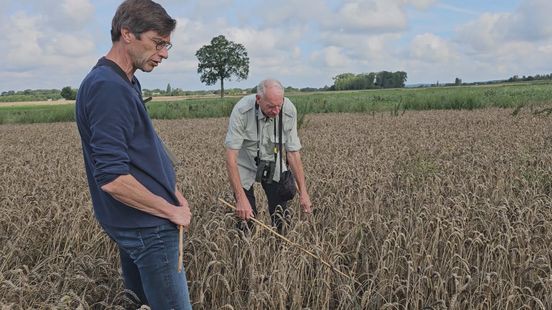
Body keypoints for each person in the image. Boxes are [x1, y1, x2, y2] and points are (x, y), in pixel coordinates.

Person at [75, 1, 192, 308]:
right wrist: (169, 210)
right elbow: (113, 178)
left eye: (167, 45)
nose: (164, 53)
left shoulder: (125, 80)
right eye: (158, 43)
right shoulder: (107, 87)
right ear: (127, 34)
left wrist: (173, 192)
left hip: (142, 221)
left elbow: (138, 155)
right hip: (148, 227)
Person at [224, 79, 312, 234]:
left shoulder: (288, 110)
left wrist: (303, 192)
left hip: (273, 159)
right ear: (258, 99)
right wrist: (240, 198)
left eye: (279, 105)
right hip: (245, 161)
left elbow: (293, 152)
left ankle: (281, 249)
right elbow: (231, 156)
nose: (276, 111)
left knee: (281, 213)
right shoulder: (241, 111)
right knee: (246, 216)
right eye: (271, 106)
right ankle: (245, 253)